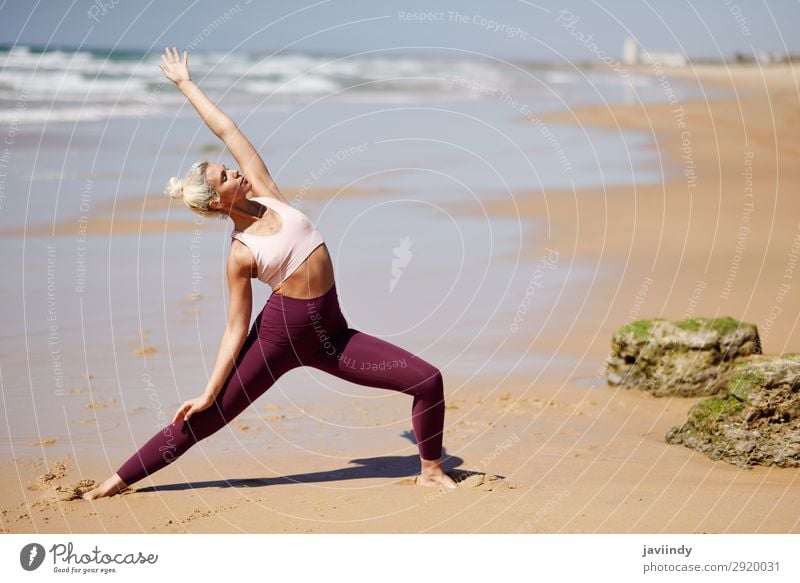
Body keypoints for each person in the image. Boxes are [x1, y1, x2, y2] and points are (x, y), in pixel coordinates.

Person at [82, 48, 457, 499]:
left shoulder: (266, 193)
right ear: (218, 200)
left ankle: (432, 470)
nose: (235, 170)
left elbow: (227, 128)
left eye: (229, 167)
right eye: (226, 175)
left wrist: (186, 83)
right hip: (280, 337)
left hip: (332, 335)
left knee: (426, 380)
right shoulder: (240, 253)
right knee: (207, 416)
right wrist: (208, 388)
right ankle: (114, 483)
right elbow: (236, 327)